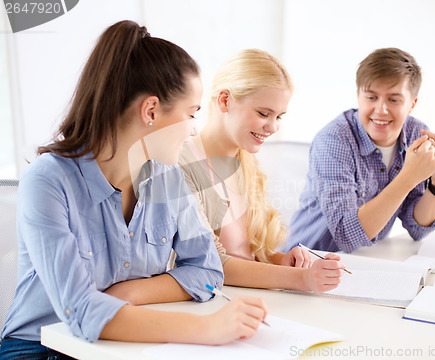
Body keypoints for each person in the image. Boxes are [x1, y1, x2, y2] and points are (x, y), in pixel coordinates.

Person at [0, 21, 268, 359]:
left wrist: (127, 293)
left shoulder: (168, 177)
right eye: (190, 113)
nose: (193, 130)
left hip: (125, 343)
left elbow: (207, 270)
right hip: (38, 348)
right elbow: (79, 310)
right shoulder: (49, 180)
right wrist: (207, 328)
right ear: (151, 110)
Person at [179, 49, 345, 292]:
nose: (273, 126)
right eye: (263, 113)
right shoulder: (182, 163)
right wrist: (300, 279)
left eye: (279, 116)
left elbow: (249, 252)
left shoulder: (245, 160)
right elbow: (212, 262)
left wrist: (283, 261)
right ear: (224, 101)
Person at [286, 48, 435, 253]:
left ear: (412, 104)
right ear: (358, 96)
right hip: (307, 261)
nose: (381, 109)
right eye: (371, 97)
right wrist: (408, 177)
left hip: (365, 263)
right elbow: (347, 235)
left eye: (394, 100)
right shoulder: (333, 140)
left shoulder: (416, 133)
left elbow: (418, 229)